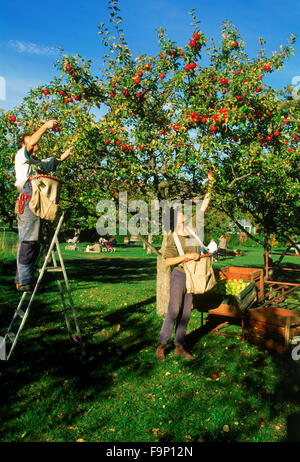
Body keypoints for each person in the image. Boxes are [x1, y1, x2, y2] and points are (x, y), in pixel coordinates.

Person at [156, 176, 213, 361]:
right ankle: (162, 345)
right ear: (175, 219)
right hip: (179, 275)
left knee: (186, 312)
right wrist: (186, 256)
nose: (183, 214)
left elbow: (204, 206)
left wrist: (211, 184)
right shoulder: (173, 238)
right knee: (174, 310)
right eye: (180, 213)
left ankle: (179, 345)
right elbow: (167, 262)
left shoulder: (192, 230)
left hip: (192, 276)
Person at [15, 120, 74, 292]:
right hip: (27, 199)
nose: (35, 141)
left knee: (35, 240)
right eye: (30, 139)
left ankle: (23, 278)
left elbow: (54, 162)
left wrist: (67, 154)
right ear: (24, 143)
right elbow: (33, 141)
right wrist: (46, 126)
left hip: (37, 200)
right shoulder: (21, 155)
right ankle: (24, 280)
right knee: (28, 240)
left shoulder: (35, 163)